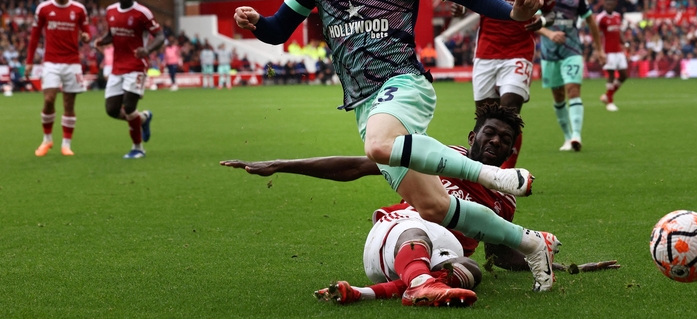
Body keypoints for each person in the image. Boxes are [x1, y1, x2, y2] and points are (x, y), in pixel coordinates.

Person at [231, 0, 558, 292]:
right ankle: (531, 245)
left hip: (404, 84)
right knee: (434, 205)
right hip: (366, 103)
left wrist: (512, 13)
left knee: (377, 147)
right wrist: (255, 22)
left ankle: (493, 176)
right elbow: (278, 29)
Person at [221, 104, 618, 306]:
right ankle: (414, 282)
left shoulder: (503, 203)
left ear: (512, 151)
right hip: (396, 238)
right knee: (423, 225)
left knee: (472, 267)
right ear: (473, 135)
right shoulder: (438, 155)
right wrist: (280, 165)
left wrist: (571, 267)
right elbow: (359, 165)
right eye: (490, 133)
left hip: (442, 261)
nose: (496, 142)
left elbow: (503, 255)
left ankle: (384, 292)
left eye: (504, 140)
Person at [451, 0, 554, 168]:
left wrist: (544, 21)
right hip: (486, 53)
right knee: (485, 119)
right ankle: (480, 172)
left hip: (519, 53)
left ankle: (504, 175)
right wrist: (460, 8)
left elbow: (552, 11)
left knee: (509, 112)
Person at [531, 0, 605, 152]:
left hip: (572, 50)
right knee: (558, 96)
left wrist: (599, 49)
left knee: (573, 90)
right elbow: (533, 21)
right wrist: (549, 33)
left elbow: (591, 22)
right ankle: (566, 137)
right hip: (549, 54)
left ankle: (576, 136)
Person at [93, 0, 165, 159]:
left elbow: (160, 36)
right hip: (117, 67)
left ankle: (138, 147)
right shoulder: (110, 11)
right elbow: (112, 34)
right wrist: (102, 40)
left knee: (129, 106)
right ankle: (143, 119)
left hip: (136, 66)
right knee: (111, 110)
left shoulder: (143, 13)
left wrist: (147, 49)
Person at [24, 0, 91, 157]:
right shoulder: (44, 9)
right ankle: (47, 140)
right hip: (51, 62)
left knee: (69, 104)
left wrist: (86, 37)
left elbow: (86, 32)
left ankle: (66, 145)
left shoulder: (79, 9)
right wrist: (29, 61)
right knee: (48, 100)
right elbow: (35, 36)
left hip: (72, 63)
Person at [596, 0, 628, 112]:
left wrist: (624, 42)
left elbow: (618, 31)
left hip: (618, 51)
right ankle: (610, 102)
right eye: (607, 4)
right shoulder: (601, 18)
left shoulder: (617, 16)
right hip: (608, 52)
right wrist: (598, 50)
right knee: (611, 75)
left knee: (624, 75)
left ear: (614, 4)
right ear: (604, 5)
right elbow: (596, 34)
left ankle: (606, 96)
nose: (609, 6)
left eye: (611, 4)